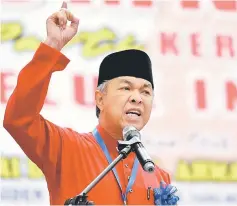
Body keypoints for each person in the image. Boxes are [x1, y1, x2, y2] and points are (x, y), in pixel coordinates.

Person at [3, 2, 179, 205]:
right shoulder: (66, 148)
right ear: (100, 99)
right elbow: (18, 120)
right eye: (126, 88)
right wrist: (52, 46)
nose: (137, 98)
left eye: (146, 91)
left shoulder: (158, 177)